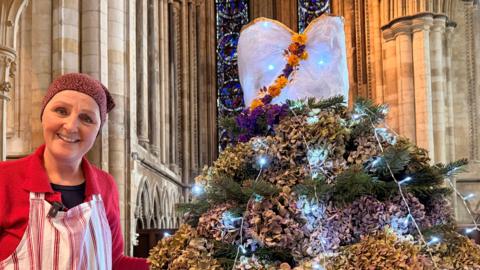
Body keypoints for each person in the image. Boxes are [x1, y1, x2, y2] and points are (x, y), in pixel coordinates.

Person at [0, 73, 149, 269]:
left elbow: (113, 262)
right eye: (61, 111)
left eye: (87, 118)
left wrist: (169, 263)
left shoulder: (106, 185)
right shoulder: (5, 178)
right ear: (43, 115)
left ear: (97, 131)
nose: (71, 126)